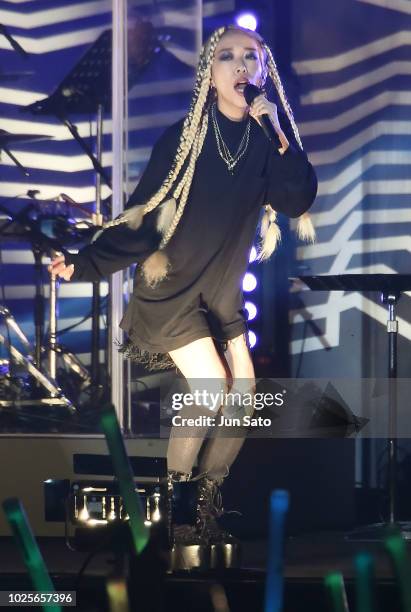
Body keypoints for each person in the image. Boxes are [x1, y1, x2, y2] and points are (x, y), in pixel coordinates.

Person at [50, 24, 317, 547]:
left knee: (244, 396)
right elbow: (145, 222)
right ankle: (175, 508)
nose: (240, 66)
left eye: (250, 57)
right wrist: (83, 264)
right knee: (213, 386)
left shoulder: (267, 139)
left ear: (263, 71)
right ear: (209, 73)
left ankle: (205, 504)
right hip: (172, 290)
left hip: (220, 293)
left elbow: (295, 200)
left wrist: (279, 132)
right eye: (227, 57)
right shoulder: (185, 140)